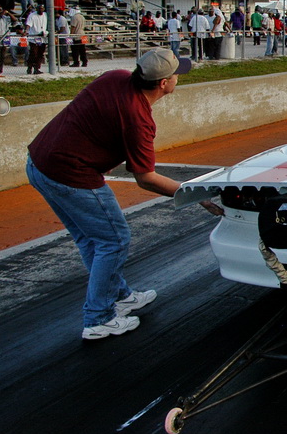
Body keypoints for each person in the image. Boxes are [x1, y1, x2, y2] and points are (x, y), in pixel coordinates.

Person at [26, 48, 224, 339]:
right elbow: (146, 179)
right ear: (164, 83)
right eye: (176, 75)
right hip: (70, 175)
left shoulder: (114, 77)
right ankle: (99, 318)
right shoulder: (138, 119)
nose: (177, 78)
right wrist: (198, 196)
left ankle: (119, 296)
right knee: (114, 240)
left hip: (38, 163)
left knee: (92, 240)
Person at [25, 3, 47, 74]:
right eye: (39, 8)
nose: (40, 10)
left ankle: (37, 68)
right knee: (33, 53)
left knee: (40, 54)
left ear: (44, 9)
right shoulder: (32, 15)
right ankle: (29, 67)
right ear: (37, 9)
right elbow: (28, 24)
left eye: (42, 8)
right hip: (34, 38)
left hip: (43, 38)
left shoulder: (46, 15)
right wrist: (26, 31)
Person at [0, 6, 16, 77]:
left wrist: (8, 13)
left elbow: (15, 20)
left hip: (4, 37)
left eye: (1, 10)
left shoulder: (6, 18)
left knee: (2, 56)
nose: (0, 11)